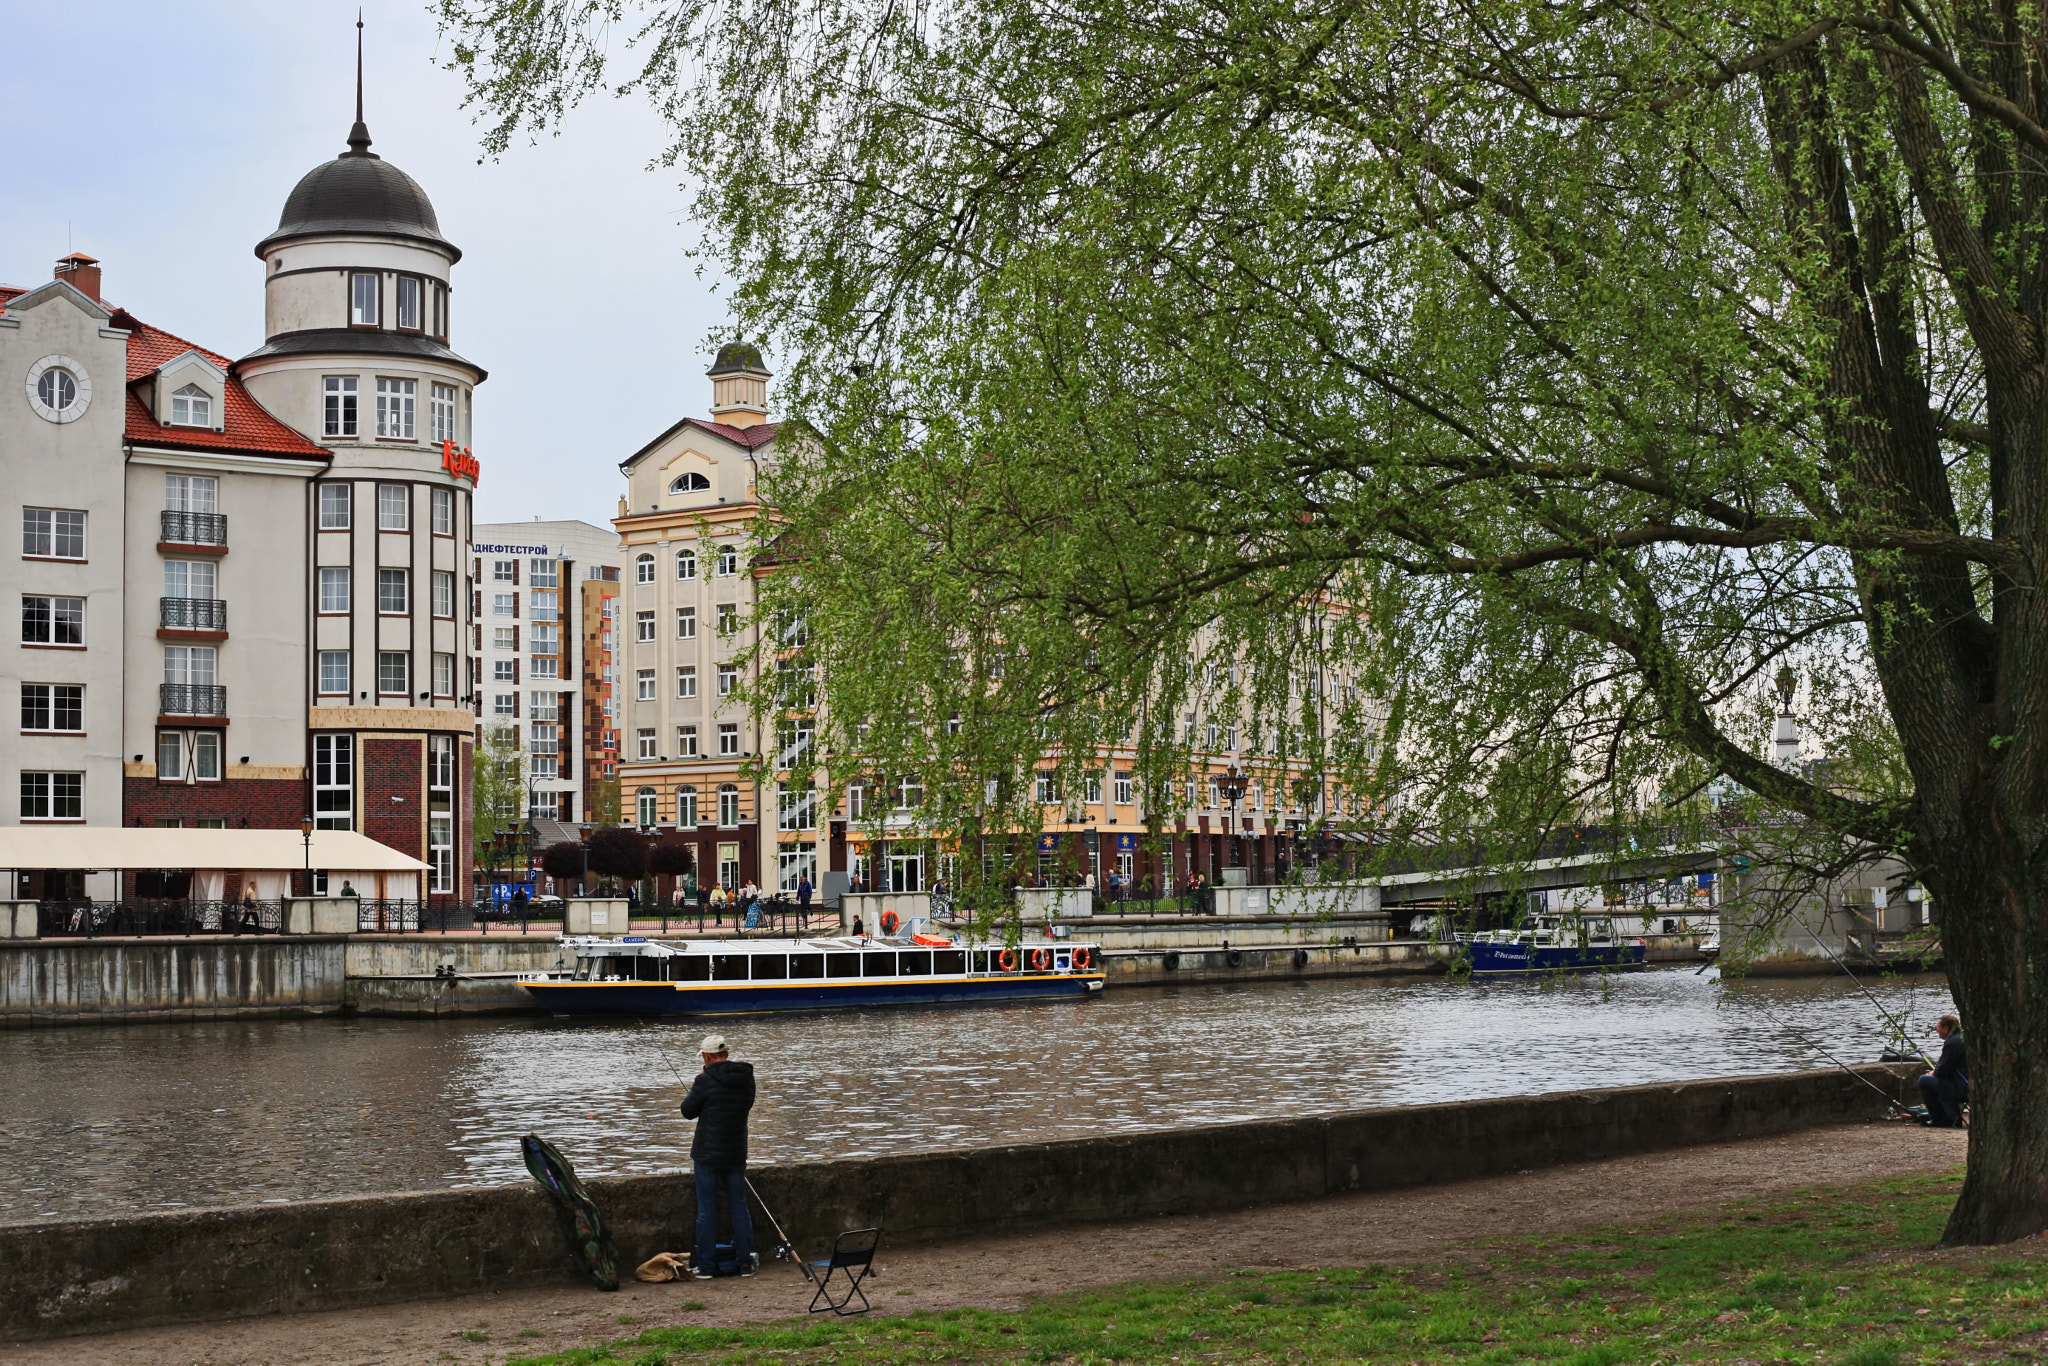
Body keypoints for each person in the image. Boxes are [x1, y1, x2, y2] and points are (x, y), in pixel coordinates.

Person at [679, 1033, 757, 1278]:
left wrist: (700, 1084)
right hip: (735, 1151)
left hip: (708, 1155)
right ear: (726, 1054)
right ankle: (745, 1263)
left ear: (708, 1056)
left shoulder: (704, 1080)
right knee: (739, 1207)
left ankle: (707, 1266)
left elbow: (687, 1111)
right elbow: (746, 1105)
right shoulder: (746, 1078)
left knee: (707, 1211)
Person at [1918, 1014, 1969, 1128]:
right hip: (1967, 1082)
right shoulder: (1963, 1037)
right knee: (1942, 1082)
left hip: (1962, 1087)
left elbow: (1942, 1072)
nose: (1936, 1029)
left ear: (1946, 1029)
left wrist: (1933, 1073)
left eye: (1938, 1027)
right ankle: (1952, 1116)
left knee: (1924, 1080)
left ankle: (1941, 1118)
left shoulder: (1951, 1042)